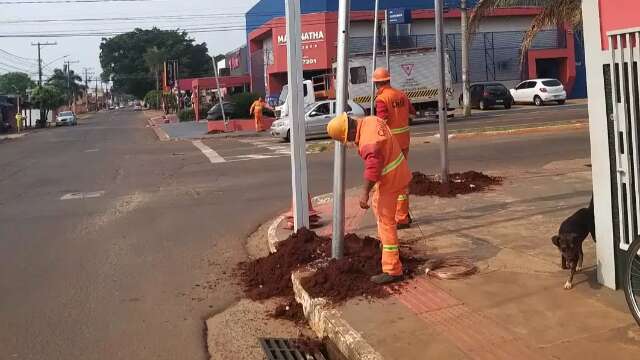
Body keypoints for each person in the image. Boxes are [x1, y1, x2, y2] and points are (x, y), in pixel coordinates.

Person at [326, 113, 411, 284]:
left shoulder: (367, 142)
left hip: (391, 179)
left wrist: (364, 192)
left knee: (385, 220)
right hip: (398, 171)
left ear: (349, 131)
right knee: (377, 204)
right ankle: (386, 244)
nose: (349, 142)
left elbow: (373, 168)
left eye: (347, 138)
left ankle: (392, 269)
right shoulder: (371, 121)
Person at [372, 67, 416, 229]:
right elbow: (413, 112)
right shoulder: (401, 95)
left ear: (377, 83)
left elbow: (381, 123)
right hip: (404, 142)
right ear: (388, 80)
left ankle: (387, 217)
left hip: (391, 146)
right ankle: (403, 216)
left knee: (386, 181)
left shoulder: (382, 99)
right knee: (402, 179)